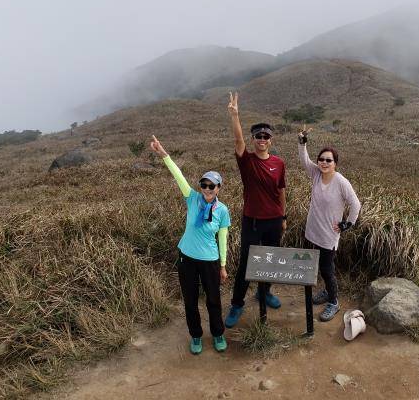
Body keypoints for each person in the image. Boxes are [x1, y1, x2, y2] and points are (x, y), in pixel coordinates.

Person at [150, 135, 231, 355]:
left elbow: (222, 239)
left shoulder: (222, 211)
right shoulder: (192, 198)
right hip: (187, 257)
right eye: (204, 184)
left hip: (210, 261)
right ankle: (196, 336)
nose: (206, 188)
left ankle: (217, 333)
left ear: (218, 187)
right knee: (190, 300)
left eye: (211, 185)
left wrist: (222, 265)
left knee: (213, 300)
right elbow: (178, 176)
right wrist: (164, 154)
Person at [224, 92, 287, 328]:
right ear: (253, 139)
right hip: (252, 220)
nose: (261, 139)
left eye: (265, 136)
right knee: (246, 263)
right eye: (258, 136)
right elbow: (238, 141)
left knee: (269, 261)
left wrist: (283, 216)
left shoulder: (279, 163)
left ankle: (264, 292)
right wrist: (235, 116)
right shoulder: (247, 160)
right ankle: (237, 303)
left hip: (273, 220)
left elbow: (281, 191)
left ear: (271, 139)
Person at [297, 125, 361, 321]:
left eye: (328, 160)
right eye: (322, 159)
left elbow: (355, 204)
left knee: (327, 268)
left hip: (328, 236)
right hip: (314, 231)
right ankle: (326, 292)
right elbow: (303, 160)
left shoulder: (341, 182)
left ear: (335, 164)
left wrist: (346, 224)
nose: (324, 162)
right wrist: (302, 141)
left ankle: (333, 301)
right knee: (320, 266)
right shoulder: (316, 174)